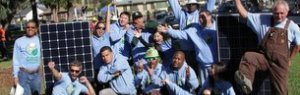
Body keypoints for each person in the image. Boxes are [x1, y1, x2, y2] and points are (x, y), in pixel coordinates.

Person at [234, 0, 300, 94]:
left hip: (280, 63)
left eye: (282, 13)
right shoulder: (262, 19)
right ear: (272, 12)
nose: (279, 16)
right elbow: (244, 14)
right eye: (276, 13)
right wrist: (237, 1)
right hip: (264, 58)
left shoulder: (292, 26)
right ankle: (245, 81)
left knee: (280, 91)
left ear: (287, 12)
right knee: (249, 57)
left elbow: (298, 45)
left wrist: (289, 59)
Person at [158, 10, 218, 86]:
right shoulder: (194, 29)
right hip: (203, 66)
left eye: (203, 16)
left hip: (217, 65)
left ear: (210, 16)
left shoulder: (217, 26)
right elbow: (179, 34)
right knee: (205, 88)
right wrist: (169, 31)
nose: (200, 19)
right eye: (199, 17)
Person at [12, 21, 41, 95]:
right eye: (28, 27)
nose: (30, 29)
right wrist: (15, 77)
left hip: (36, 75)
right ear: (25, 28)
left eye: (32, 27)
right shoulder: (18, 41)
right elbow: (15, 60)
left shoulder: (40, 40)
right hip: (23, 75)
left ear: (36, 29)